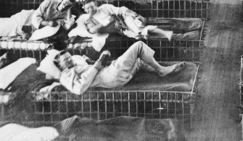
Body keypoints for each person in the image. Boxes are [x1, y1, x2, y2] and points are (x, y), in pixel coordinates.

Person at [54, 42, 185, 95]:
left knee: (138, 60)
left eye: (69, 57)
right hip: (109, 77)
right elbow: (79, 89)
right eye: (66, 60)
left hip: (110, 73)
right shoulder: (65, 75)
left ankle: (161, 69)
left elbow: (92, 66)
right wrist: (96, 65)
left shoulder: (76, 63)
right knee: (139, 46)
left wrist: (101, 60)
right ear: (61, 65)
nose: (70, 60)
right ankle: (161, 70)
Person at [81, 0, 173, 40]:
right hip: (121, 29)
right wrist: (107, 21)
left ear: (96, 5)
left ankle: (166, 33)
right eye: (88, 8)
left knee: (138, 31)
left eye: (92, 7)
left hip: (125, 19)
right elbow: (91, 30)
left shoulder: (104, 7)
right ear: (84, 9)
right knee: (138, 35)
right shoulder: (89, 19)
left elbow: (119, 10)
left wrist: (134, 14)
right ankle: (164, 33)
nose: (90, 9)